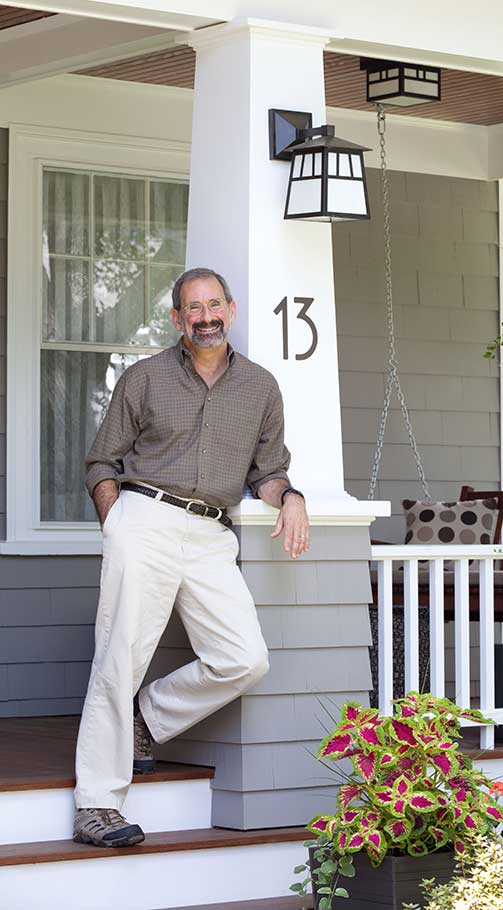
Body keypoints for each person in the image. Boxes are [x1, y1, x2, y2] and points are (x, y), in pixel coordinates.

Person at [73, 267, 309, 848]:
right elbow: (101, 462)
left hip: (210, 534)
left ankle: (146, 720)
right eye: (192, 309)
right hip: (145, 518)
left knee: (243, 658)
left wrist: (292, 497)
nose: (205, 318)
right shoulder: (144, 379)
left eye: (214, 306)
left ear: (230, 309)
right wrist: (117, 523)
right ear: (178, 319)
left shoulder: (260, 387)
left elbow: (269, 471)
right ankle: (97, 804)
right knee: (120, 658)